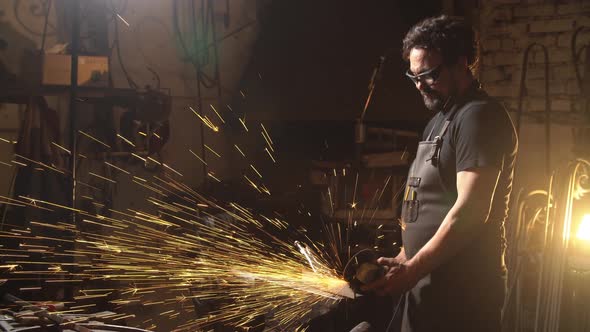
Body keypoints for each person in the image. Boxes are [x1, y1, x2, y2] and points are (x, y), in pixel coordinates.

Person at [364, 15, 518, 331]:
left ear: (462, 63)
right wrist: (404, 258)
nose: (419, 84)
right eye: (413, 75)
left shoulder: (479, 117)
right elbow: (433, 203)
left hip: (460, 294)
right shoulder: (439, 119)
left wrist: (414, 268)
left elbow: (470, 210)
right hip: (425, 283)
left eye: (429, 74)